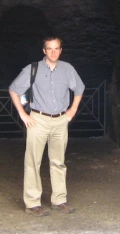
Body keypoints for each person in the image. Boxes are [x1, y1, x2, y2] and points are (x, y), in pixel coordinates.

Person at [9, 36, 85, 217]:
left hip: (60, 120)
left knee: (58, 161)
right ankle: (33, 202)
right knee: (33, 162)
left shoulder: (68, 69)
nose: (53, 52)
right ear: (44, 51)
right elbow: (14, 89)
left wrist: (72, 110)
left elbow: (79, 89)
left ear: (61, 50)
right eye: (49, 49)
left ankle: (59, 200)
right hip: (38, 120)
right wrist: (22, 114)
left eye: (56, 48)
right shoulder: (32, 69)